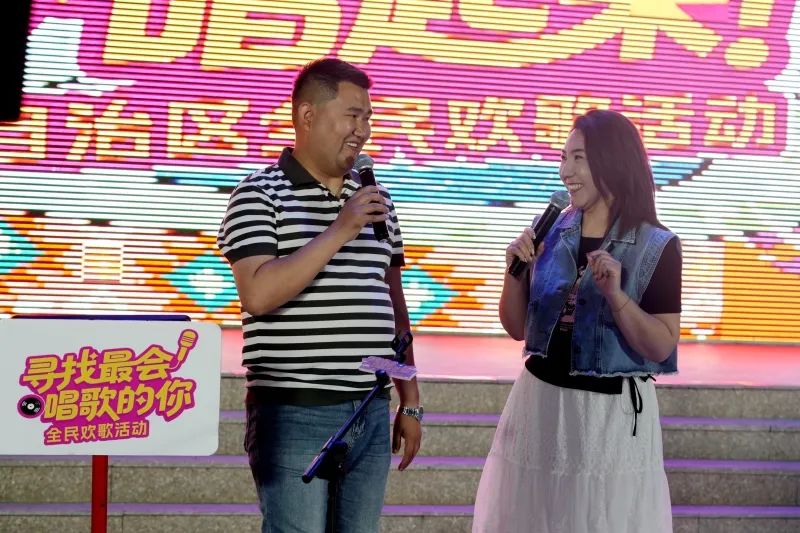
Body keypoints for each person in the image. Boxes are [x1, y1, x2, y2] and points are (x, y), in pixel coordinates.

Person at [217, 57, 422, 533]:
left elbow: (393, 309)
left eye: (368, 117)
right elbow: (258, 294)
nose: (363, 130)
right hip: (295, 410)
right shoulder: (258, 194)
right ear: (307, 116)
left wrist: (409, 400)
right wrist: (340, 229)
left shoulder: (376, 201)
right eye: (352, 115)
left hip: (370, 406)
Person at [473, 109, 681, 533]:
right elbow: (517, 328)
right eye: (563, 157)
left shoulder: (657, 245)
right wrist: (513, 273)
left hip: (609, 418)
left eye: (578, 158)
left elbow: (662, 344)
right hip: (540, 403)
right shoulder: (550, 232)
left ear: (612, 161)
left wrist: (616, 297)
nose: (565, 171)